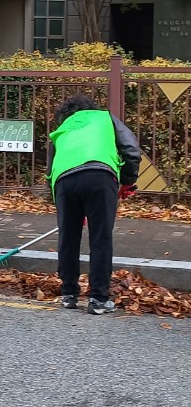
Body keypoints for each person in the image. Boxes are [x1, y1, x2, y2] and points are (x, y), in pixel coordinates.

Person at [48, 94, 141, 314]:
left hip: (64, 181)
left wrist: (66, 203)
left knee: (68, 237)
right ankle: (98, 299)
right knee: (100, 238)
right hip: (100, 176)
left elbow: (50, 171)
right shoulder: (105, 118)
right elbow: (131, 150)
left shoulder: (62, 129)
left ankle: (68, 293)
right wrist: (127, 181)